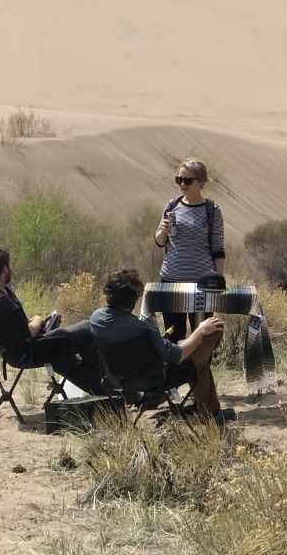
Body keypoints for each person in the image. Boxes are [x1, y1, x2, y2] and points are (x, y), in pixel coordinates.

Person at [89, 267, 228, 423]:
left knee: (195, 356)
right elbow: (177, 356)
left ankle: (210, 410)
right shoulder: (143, 330)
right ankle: (211, 414)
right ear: (133, 300)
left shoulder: (96, 319)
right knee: (214, 331)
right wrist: (200, 331)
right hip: (155, 380)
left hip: (117, 379)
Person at [0, 243, 104, 394]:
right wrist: (38, 320)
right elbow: (28, 332)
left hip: (22, 348)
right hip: (26, 352)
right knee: (88, 329)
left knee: (65, 354)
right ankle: (105, 386)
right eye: (9, 265)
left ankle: (101, 390)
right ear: (4, 269)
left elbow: (16, 326)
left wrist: (44, 324)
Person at [153, 158, 225, 338]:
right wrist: (163, 229)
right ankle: (175, 368)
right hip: (171, 280)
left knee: (202, 336)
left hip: (202, 284)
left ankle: (199, 368)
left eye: (188, 180)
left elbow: (218, 249)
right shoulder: (172, 205)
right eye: (179, 179)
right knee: (173, 335)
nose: (182, 184)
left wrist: (219, 283)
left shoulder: (212, 210)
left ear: (201, 182)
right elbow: (159, 241)